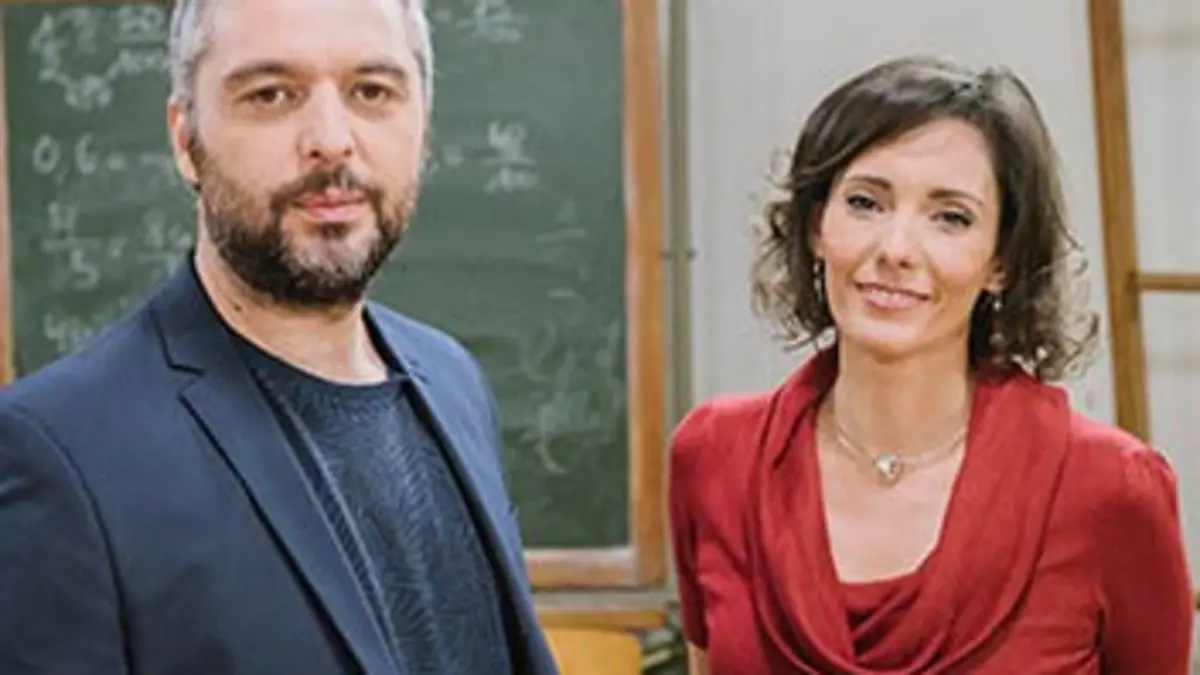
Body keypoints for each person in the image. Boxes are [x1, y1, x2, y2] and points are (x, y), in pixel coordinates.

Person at [0, 0, 558, 672]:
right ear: (185, 139)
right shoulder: (60, 452)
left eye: (371, 91)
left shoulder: (454, 381)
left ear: (422, 124)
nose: (331, 139)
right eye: (271, 94)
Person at [668, 55, 1193, 674]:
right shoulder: (714, 456)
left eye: (950, 217)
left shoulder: (1111, 488)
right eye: (865, 203)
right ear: (815, 227)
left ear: (1001, 262)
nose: (896, 250)